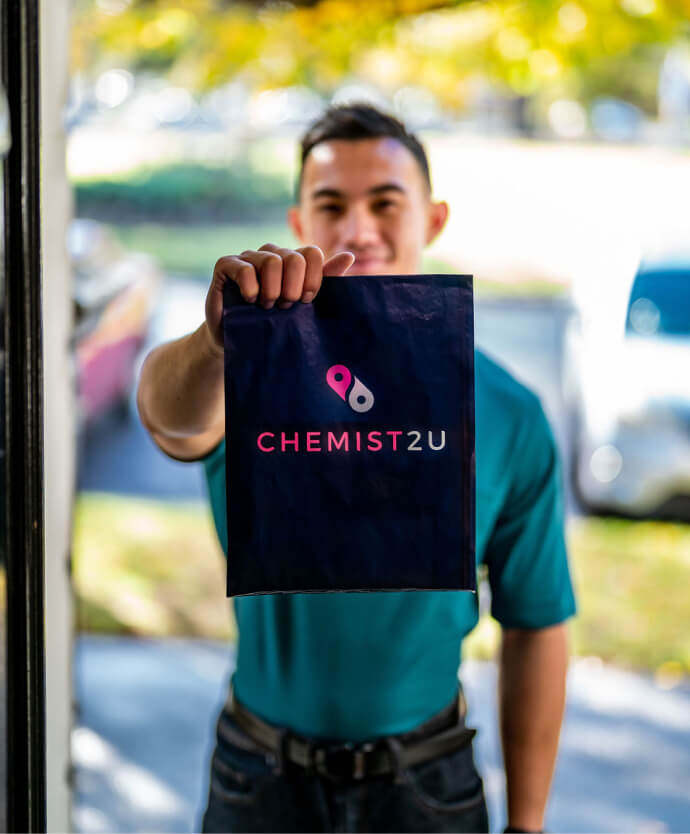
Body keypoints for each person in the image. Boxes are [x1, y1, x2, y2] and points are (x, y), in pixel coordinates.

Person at [136, 103, 576, 834]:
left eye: (385, 203)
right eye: (331, 204)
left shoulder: (505, 410)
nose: (358, 228)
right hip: (260, 774)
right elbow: (167, 416)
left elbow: (535, 622)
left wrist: (528, 823)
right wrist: (218, 340)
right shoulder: (248, 375)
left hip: (427, 779)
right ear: (300, 220)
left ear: (433, 221)